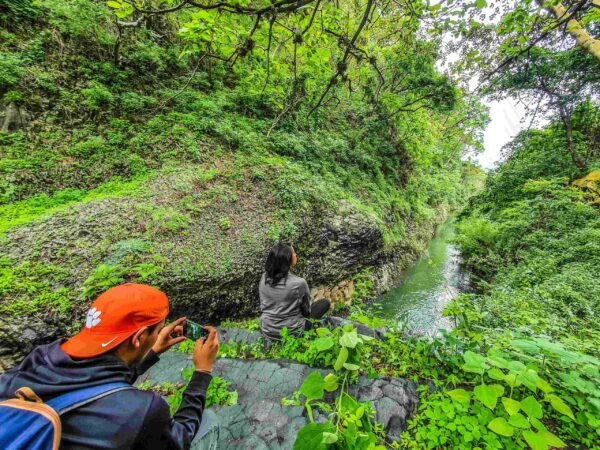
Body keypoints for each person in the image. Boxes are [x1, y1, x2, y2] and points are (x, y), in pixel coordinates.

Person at [0, 283, 219, 450]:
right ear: (139, 337)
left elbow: (96, 386)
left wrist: (150, 353)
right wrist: (202, 372)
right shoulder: (142, 410)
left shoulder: (40, 358)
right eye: (157, 330)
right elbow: (179, 438)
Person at [259, 243, 330, 341]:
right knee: (324, 303)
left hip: (267, 330)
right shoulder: (299, 283)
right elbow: (307, 311)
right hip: (292, 332)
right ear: (289, 259)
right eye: (294, 253)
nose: (295, 254)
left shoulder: (264, 278)